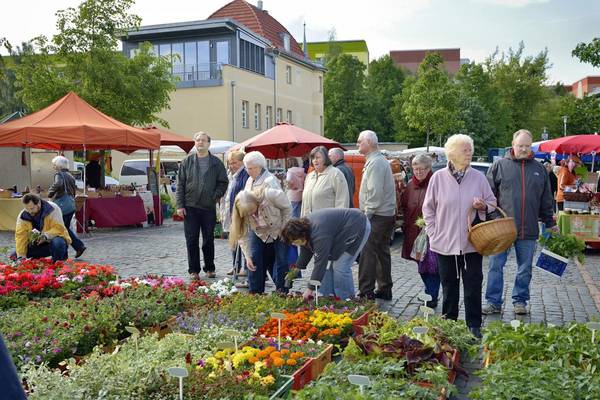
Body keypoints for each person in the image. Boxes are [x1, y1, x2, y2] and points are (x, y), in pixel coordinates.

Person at [423, 134, 496, 339]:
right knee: (449, 285)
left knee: (473, 283)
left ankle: (474, 324)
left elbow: (492, 202)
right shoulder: (438, 178)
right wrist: (433, 232)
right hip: (444, 243)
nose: (469, 152)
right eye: (465, 149)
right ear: (452, 153)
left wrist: (483, 206)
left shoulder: (479, 177)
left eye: (470, 149)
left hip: (472, 243)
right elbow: (428, 208)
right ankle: (449, 322)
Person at [483, 129, 556, 316]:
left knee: (525, 268)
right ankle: (493, 302)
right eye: (520, 145)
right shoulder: (499, 167)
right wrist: (494, 220)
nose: (523, 149)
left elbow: (546, 199)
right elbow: (488, 198)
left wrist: (549, 222)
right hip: (502, 229)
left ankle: (520, 301)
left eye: (526, 146)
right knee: (495, 266)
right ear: (513, 145)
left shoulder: (539, 169)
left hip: (529, 229)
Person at [281, 208, 371, 300]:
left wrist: (310, 289)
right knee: (329, 267)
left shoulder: (319, 234)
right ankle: (328, 297)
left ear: (302, 235)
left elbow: (320, 263)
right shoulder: (305, 229)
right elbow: (306, 249)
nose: (293, 244)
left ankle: (346, 300)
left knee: (340, 267)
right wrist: (296, 269)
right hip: (342, 232)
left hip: (357, 226)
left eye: (294, 241)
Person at [176, 132, 228, 281]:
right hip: (190, 206)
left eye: (203, 141)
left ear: (208, 143)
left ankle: (210, 268)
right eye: (198, 140)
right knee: (191, 239)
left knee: (208, 240)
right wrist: (180, 205)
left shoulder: (216, 163)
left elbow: (223, 182)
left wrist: (215, 195)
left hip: (208, 207)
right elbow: (180, 185)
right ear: (195, 142)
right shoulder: (187, 162)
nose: (200, 143)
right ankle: (194, 270)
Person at [356, 130, 396, 300]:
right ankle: (385, 288)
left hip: (378, 215)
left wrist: (367, 213)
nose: (357, 144)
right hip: (384, 214)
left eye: (359, 142)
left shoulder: (376, 163)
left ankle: (366, 291)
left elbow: (374, 192)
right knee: (381, 251)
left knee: (368, 252)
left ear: (370, 142)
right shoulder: (376, 161)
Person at [229, 188, 292, 294]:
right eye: (248, 214)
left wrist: (284, 228)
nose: (252, 214)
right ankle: (255, 293)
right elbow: (242, 235)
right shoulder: (242, 213)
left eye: (253, 210)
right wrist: (247, 257)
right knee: (254, 259)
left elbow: (287, 209)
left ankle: (282, 292)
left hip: (279, 228)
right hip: (258, 233)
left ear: (256, 202)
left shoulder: (271, 195)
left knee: (282, 260)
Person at [400, 153, 440, 308]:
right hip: (413, 230)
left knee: (431, 265)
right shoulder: (410, 184)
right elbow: (404, 205)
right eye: (415, 169)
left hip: (431, 231)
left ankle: (432, 295)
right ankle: (429, 291)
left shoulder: (436, 183)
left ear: (429, 168)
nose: (418, 172)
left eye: (422, 169)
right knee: (420, 263)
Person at [13, 193, 71, 262]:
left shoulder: (53, 208)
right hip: (36, 244)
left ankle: (58, 260)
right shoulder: (22, 216)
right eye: (27, 208)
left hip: (53, 240)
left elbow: (58, 228)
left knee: (58, 243)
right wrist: (21, 257)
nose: (29, 211)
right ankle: (35, 260)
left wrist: (45, 236)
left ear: (38, 203)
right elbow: (20, 236)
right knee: (14, 255)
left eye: (31, 208)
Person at [48, 155, 86, 258]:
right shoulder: (70, 175)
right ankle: (76, 247)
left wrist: (50, 193)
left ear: (58, 165)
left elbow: (58, 184)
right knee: (65, 228)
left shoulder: (59, 174)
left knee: (61, 229)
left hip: (62, 205)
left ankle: (69, 250)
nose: (53, 167)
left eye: (54, 165)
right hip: (70, 204)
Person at [221, 151, 249, 278]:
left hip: (239, 212)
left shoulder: (245, 174)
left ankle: (244, 267)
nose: (231, 165)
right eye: (230, 163)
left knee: (243, 241)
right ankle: (235, 266)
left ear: (242, 162)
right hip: (230, 211)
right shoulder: (231, 175)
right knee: (233, 240)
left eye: (234, 163)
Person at [300, 146, 349, 217]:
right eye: (313, 158)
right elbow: (304, 204)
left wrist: (338, 222)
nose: (315, 160)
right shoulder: (310, 176)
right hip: (308, 223)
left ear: (325, 158)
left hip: (327, 223)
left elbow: (342, 202)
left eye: (318, 157)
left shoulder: (336, 174)